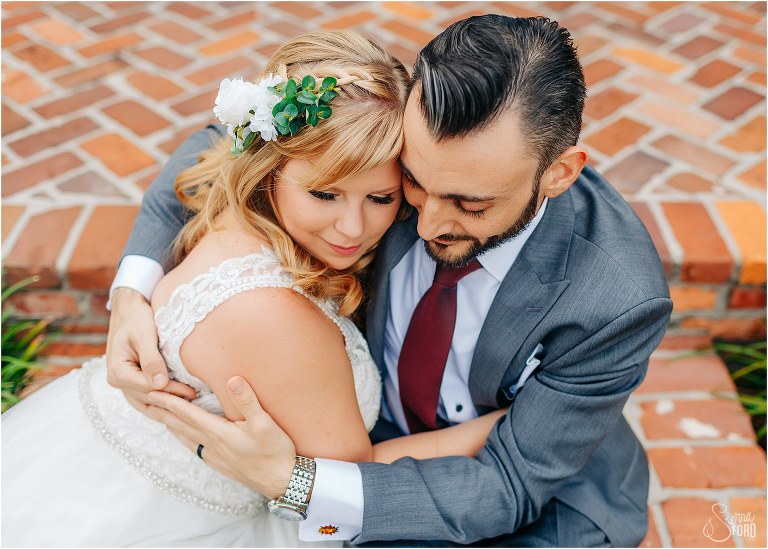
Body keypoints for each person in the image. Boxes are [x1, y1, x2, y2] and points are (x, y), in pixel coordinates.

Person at [108, 15, 673, 548]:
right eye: (412, 184)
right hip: (355, 441)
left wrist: (296, 482)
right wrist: (133, 291)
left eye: (470, 205)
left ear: (558, 174)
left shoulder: (617, 301)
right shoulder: (406, 127)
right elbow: (217, 143)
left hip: (535, 492)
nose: (426, 223)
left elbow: (508, 487)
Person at [1, 30, 509, 548]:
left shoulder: (233, 209)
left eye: (380, 198)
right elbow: (354, 472)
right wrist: (506, 426)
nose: (353, 228)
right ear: (269, 168)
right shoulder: (274, 316)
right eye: (325, 193)